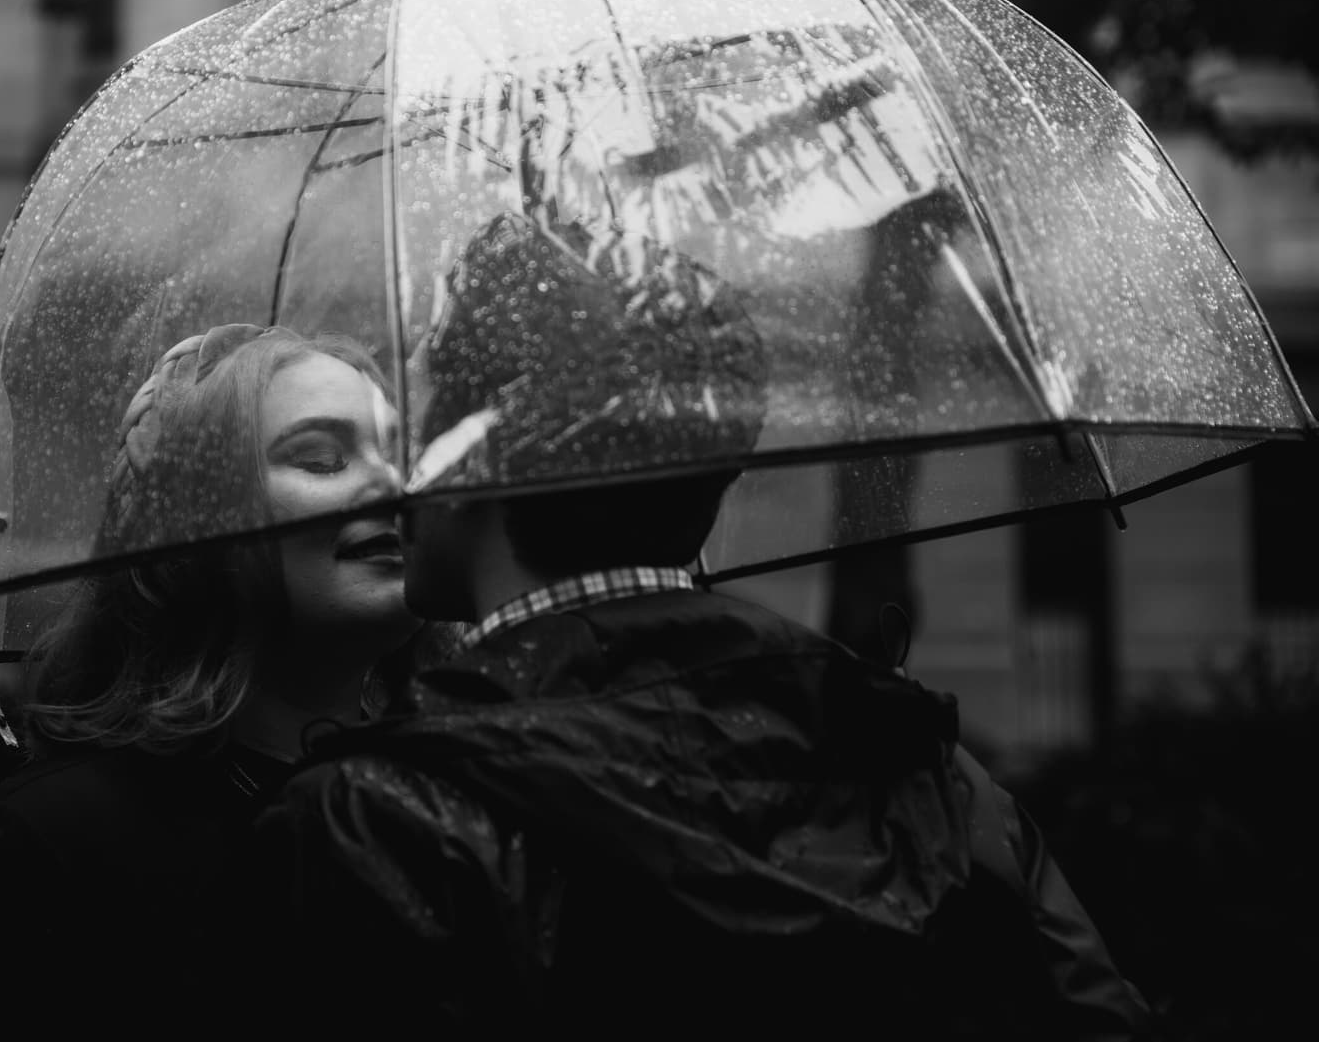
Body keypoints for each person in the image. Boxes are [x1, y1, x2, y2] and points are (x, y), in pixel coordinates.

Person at [249, 214, 1154, 1038]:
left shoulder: (373, 822)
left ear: (478, 457)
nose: (393, 476)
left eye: (418, 427)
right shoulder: (929, 773)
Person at [0, 323, 454, 1037]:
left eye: (404, 453)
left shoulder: (454, 812)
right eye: (320, 458)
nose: (392, 484)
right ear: (191, 527)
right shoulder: (42, 847)